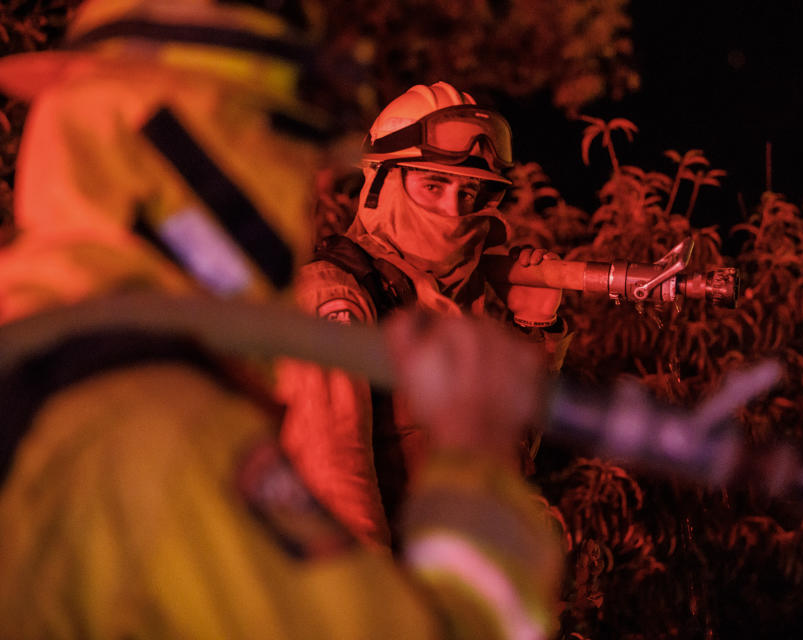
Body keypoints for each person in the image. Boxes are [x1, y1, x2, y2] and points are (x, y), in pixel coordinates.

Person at [0, 1, 562, 638]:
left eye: (474, 193)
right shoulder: (159, 430)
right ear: (191, 144)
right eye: (282, 137)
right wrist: (476, 459)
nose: (301, 180)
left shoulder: (43, 350)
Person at [276, 81, 571, 547]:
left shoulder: (455, 305)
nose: (454, 209)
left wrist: (533, 329)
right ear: (382, 183)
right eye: (433, 185)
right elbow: (337, 490)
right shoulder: (337, 295)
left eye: (469, 192)